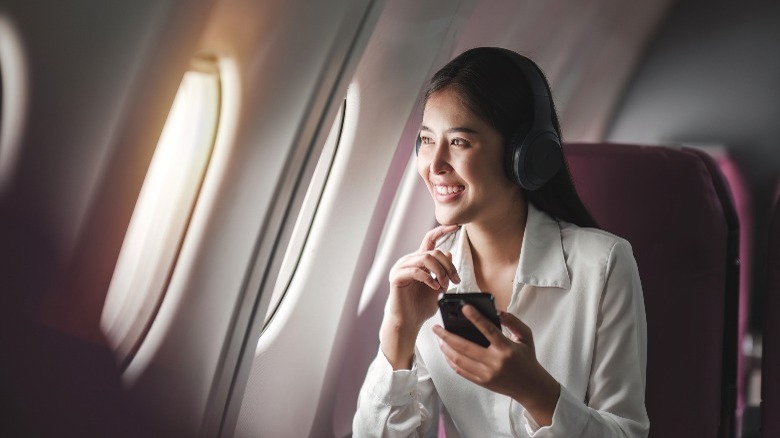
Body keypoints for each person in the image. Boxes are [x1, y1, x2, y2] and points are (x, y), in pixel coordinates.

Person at [352, 47, 649, 437]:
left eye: (458, 142)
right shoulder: (427, 283)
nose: (434, 163)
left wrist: (538, 393)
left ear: (522, 155)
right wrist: (398, 334)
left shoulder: (604, 264)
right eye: (426, 140)